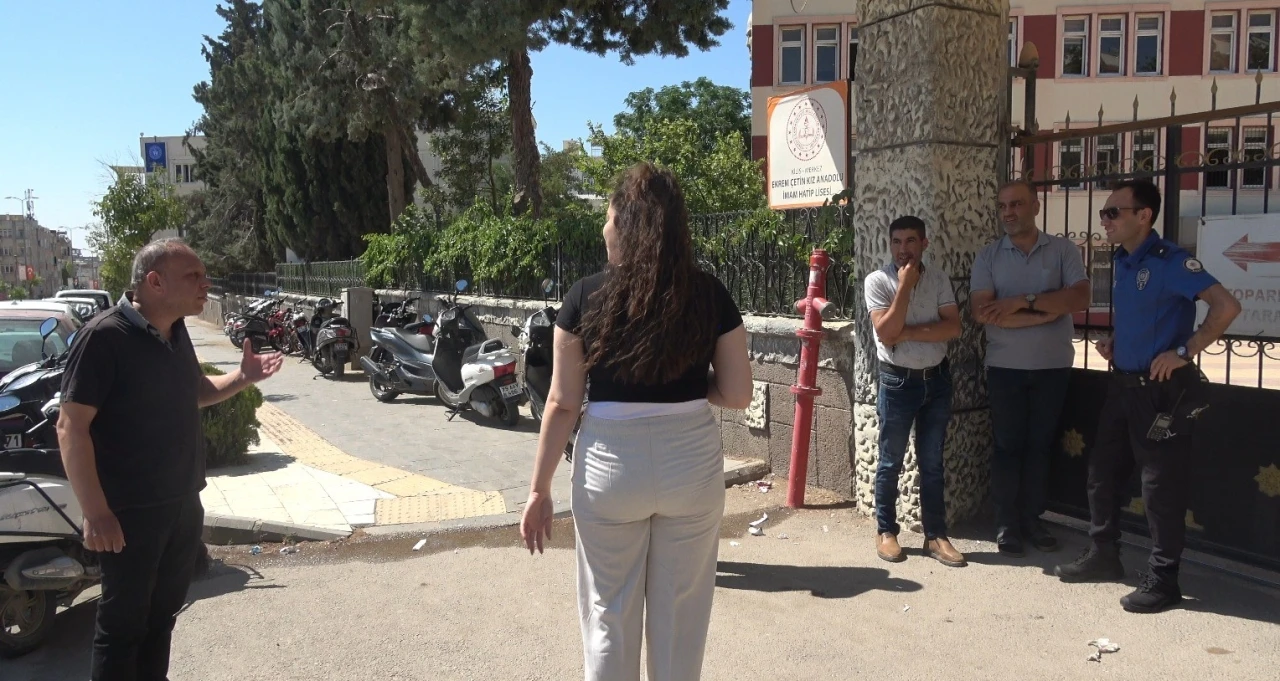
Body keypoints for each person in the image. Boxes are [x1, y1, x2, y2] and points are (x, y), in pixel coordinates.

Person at [520, 162, 752, 680]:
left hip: (609, 465)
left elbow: (562, 403)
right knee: (680, 623)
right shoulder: (710, 294)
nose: (603, 228)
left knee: (608, 615)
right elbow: (738, 393)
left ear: (626, 224)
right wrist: (687, 386)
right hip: (691, 462)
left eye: (607, 217)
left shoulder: (583, 296)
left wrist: (539, 490)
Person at [57, 239, 283, 680]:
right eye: (193, 276)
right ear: (155, 282)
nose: (206, 284)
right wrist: (96, 513)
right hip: (129, 515)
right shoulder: (103, 337)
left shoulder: (175, 332)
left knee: (161, 620)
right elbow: (71, 427)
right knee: (122, 629)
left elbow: (195, 391)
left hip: (182, 504)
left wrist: (243, 376)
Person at [1053, 180, 1240, 613]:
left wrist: (1184, 352)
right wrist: (1118, 342)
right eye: (1103, 212)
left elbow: (1226, 306)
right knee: (1102, 473)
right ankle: (1104, 554)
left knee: (1159, 486)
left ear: (1144, 216)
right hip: (1122, 386)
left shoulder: (1170, 261)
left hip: (1160, 394)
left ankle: (1164, 578)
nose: (1105, 220)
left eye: (1113, 212)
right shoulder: (1122, 260)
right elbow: (1143, 316)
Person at [971, 180, 1091, 556]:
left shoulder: (1063, 250)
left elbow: (1080, 297)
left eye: (1017, 204)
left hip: (1052, 366)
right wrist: (1047, 312)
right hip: (1005, 367)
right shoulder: (989, 257)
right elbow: (983, 313)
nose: (1009, 212)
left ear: (1036, 207)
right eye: (1003, 206)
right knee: (1007, 446)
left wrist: (1020, 302)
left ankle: (1033, 520)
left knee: (1040, 445)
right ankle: (1006, 523)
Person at [864, 216, 966, 567]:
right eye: (896, 241)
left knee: (932, 462)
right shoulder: (878, 281)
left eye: (910, 241)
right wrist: (905, 286)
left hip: (936, 380)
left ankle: (935, 536)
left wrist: (905, 332)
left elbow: (952, 327)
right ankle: (886, 531)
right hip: (898, 382)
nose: (902, 249)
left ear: (924, 243)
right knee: (890, 460)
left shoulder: (938, 278)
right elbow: (885, 332)